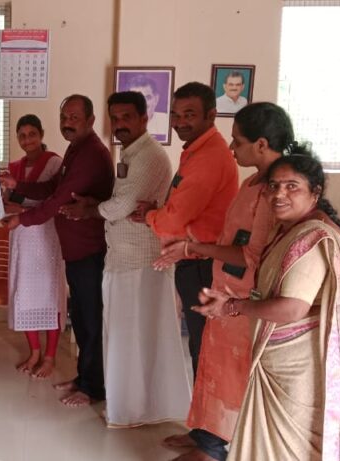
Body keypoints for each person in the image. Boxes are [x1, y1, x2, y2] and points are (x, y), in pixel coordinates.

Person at [194, 153, 340, 461]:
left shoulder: (311, 239)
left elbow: (292, 309)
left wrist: (232, 306)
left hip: (296, 369)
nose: (279, 194)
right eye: (274, 186)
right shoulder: (289, 229)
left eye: (292, 186)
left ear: (315, 193)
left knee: (290, 447)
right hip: (281, 361)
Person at [156, 102, 287, 461]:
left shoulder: (275, 191)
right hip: (224, 287)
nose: (232, 148)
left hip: (246, 298)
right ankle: (206, 434)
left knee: (232, 372)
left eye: (238, 141)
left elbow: (250, 255)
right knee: (211, 362)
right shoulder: (252, 182)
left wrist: (192, 247)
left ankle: (216, 448)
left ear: (262, 144)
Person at [60, 91, 188, 424]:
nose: (119, 124)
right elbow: (120, 201)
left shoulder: (149, 156)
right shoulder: (129, 153)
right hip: (122, 258)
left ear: (145, 118)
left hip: (141, 262)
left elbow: (121, 206)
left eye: (127, 117)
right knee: (121, 334)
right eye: (115, 118)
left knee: (135, 337)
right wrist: (97, 205)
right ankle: (123, 402)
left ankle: (136, 409)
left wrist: (89, 210)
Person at [0, 94, 114, 407]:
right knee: (82, 318)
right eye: (64, 117)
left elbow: (57, 200)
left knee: (90, 321)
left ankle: (93, 388)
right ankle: (84, 378)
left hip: (89, 248)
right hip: (74, 248)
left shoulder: (91, 153)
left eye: (74, 117)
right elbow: (52, 189)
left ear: (91, 120)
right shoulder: (76, 149)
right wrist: (18, 185)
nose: (68, 122)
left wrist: (21, 219)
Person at [131, 82, 239, 379]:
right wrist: (158, 211)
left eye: (189, 114)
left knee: (204, 344)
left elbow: (174, 219)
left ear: (211, 115)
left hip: (203, 263)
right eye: (175, 115)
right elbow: (181, 206)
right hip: (194, 259)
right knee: (199, 341)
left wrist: (150, 216)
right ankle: (202, 407)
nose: (179, 122)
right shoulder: (196, 151)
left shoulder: (208, 158)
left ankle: (205, 410)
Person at [3, 114, 66, 379]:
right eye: (22, 135)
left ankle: (49, 356)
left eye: (32, 134)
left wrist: (21, 209)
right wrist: (6, 204)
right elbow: (8, 199)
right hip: (21, 236)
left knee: (49, 295)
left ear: (41, 134)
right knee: (25, 293)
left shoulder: (54, 163)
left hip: (46, 235)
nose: (27, 140)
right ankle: (34, 353)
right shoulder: (15, 167)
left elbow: (53, 201)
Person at [127, 74, 169, 142]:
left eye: (147, 97)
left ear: (156, 99)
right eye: (135, 99)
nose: (142, 103)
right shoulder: (122, 123)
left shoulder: (166, 121)